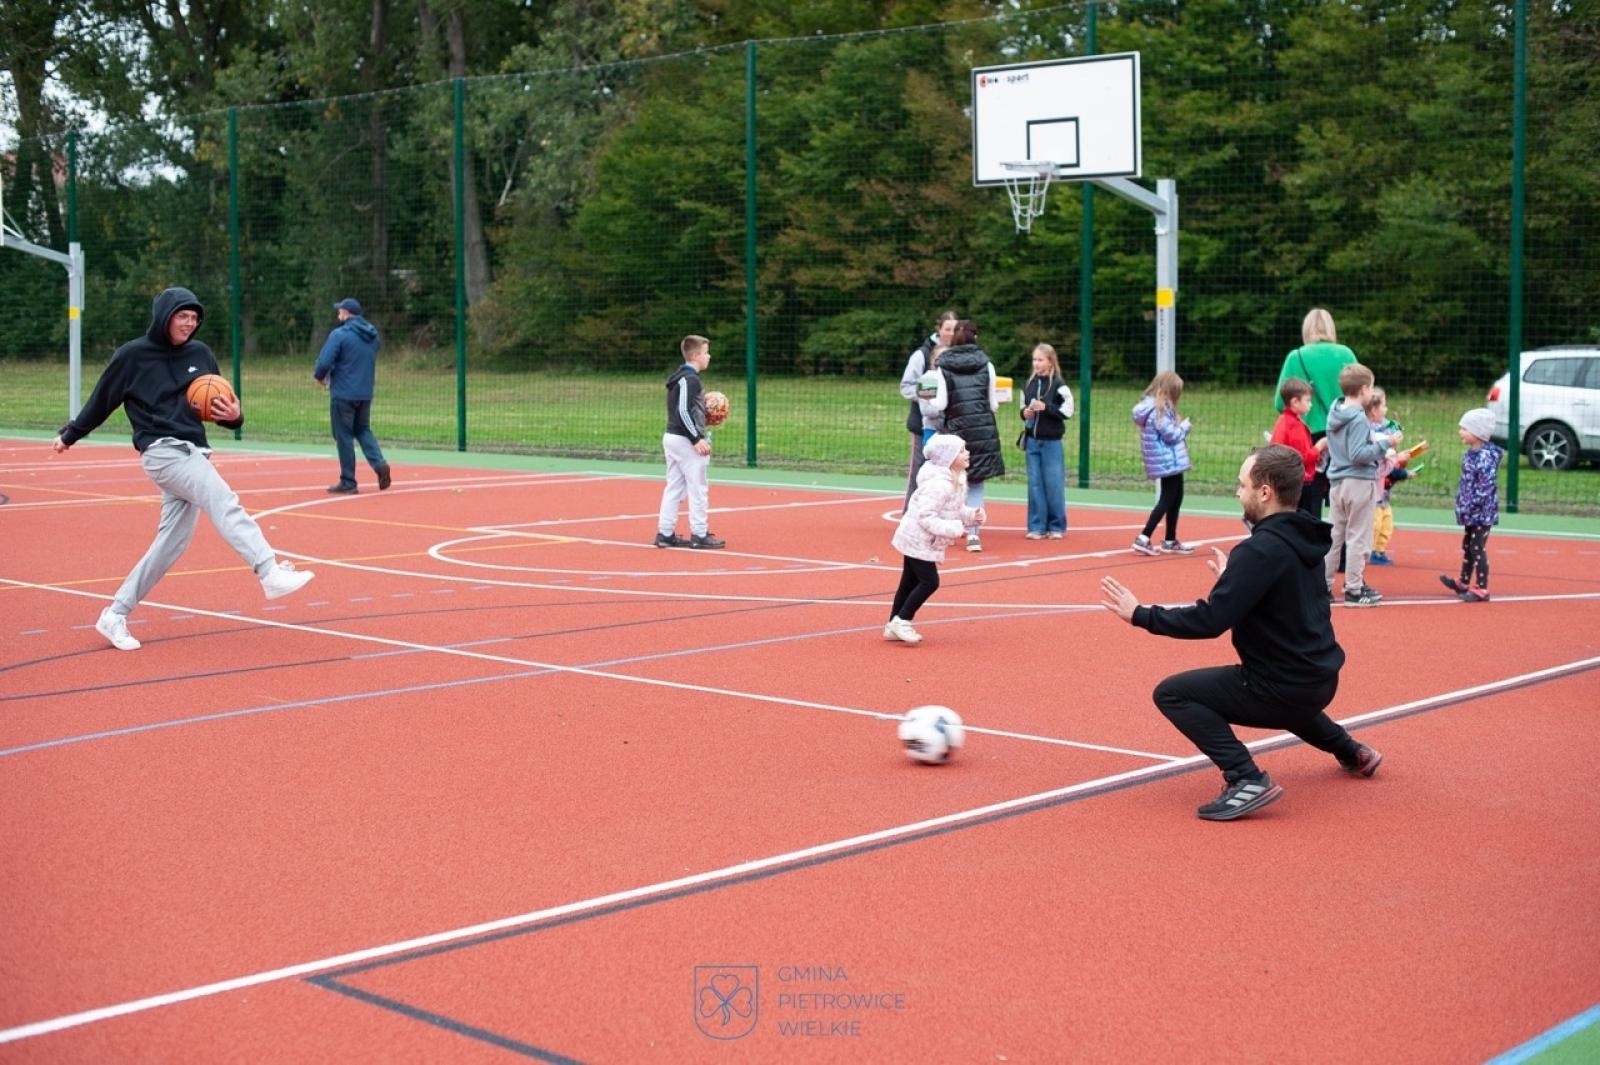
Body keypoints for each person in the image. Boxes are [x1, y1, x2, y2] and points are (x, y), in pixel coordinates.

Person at [1099, 444, 1382, 821]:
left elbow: (1210, 621)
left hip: (1285, 687)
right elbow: (1281, 596)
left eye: (1242, 484)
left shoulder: (1259, 551)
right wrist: (1235, 580)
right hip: (1321, 678)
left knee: (1172, 693)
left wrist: (1140, 614)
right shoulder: (1307, 541)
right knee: (1289, 695)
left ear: (1265, 492)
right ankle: (1352, 751)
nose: (1238, 492)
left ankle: (1245, 776)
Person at [52, 287, 315, 651]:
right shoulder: (132, 356)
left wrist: (236, 417)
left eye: (194, 318)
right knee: (222, 497)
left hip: (194, 451)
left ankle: (115, 614)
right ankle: (268, 569)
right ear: (164, 317)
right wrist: (72, 434)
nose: (189, 323)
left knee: (170, 544)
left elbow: (223, 408)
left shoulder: (200, 353)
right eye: (182, 316)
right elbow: (102, 400)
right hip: (162, 452)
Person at [884, 434, 984, 645]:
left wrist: (969, 515)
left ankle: (894, 622)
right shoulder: (940, 485)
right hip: (918, 539)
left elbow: (951, 509)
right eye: (962, 451)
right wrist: (954, 529)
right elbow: (926, 516)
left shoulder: (955, 478)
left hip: (920, 538)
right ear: (948, 457)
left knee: (909, 581)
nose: (967, 453)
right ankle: (902, 620)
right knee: (930, 582)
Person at [1323, 364, 1398, 606]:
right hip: (1358, 480)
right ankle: (1354, 589)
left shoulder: (1335, 411)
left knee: (1335, 535)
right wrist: (1385, 444)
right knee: (1358, 536)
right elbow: (1358, 453)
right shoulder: (1358, 418)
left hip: (1337, 481)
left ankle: (1323, 585)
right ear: (1364, 389)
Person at [1273, 308, 1357, 516]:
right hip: (1341, 432)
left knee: (1310, 493)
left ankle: (1309, 538)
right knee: (1345, 492)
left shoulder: (1297, 357)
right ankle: (1343, 543)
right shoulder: (1345, 354)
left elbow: (1279, 402)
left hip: (1308, 435)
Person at [936, 319, 1003, 552]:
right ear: (976, 337)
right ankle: (974, 536)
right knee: (975, 485)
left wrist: (928, 399)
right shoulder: (987, 365)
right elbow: (993, 404)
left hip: (956, 431)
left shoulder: (942, 366)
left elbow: (941, 403)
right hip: (982, 430)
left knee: (951, 484)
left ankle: (948, 532)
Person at [312, 297, 391, 494]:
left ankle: (348, 481)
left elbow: (324, 362)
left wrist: (320, 377)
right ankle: (379, 464)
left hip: (344, 392)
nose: (338, 313)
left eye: (340, 310)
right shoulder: (373, 335)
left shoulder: (339, 335)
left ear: (346, 313)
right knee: (363, 429)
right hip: (365, 391)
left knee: (343, 435)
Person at [655, 334, 724, 550]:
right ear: (695, 356)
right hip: (684, 439)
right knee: (698, 487)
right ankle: (700, 534)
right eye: (705, 352)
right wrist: (696, 438)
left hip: (673, 437)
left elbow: (686, 409)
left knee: (674, 486)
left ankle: (665, 533)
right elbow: (683, 410)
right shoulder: (690, 379)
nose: (708, 356)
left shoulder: (680, 377)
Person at [1439, 408, 1504, 602]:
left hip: (1482, 512)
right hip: (1471, 510)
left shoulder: (1485, 458)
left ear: (1478, 433)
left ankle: (1482, 588)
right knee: (1467, 545)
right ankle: (1463, 582)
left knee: (1477, 547)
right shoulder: (1471, 454)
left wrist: (1471, 505)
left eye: (1465, 428)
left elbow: (1485, 487)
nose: (1461, 432)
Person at [898, 311, 959, 511]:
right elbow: (906, 387)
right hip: (924, 423)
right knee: (921, 469)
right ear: (939, 329)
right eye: (947, 328)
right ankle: (910, 512)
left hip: (952, 425)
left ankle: (943, 513)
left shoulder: (960, 354)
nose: (951, 333)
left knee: (950, 473)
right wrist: (929, 397)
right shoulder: (922, 355)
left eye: (954, 329)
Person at [1130, 371, 1194, 556]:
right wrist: (1184, 427)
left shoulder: (1154, 408)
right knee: (1167, 499)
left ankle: (1170, 539)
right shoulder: (1159, 410)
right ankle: (1144, 537)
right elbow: (1172, 435)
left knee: (1176, 497)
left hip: (1169, 460)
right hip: (1168, 461)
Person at [1019, 342, 1072, 539]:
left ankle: (1056, 525)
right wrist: (1025, 413)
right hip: (1033, 440)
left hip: (1052, 441)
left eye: (1040, 360)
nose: (1036, 363)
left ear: (1050, 362)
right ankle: (1036, 526)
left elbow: (1068, 411)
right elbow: (1022, 407)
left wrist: (1047, 407)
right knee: (1034, 483)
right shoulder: (1028, 384)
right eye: (1034, 359)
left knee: (1053, 483)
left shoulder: (1059, 385)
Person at [1364, 387, 1413, 566]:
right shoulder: (1373, 434)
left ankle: (1378, 551)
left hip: (1382, 492)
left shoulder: (1383, 431)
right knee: (1374, 524)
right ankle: (1367, 553)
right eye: (1384, 405)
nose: (1386, 409)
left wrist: (1399, 459)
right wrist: (1396, 458)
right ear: (1374, 410)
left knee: (1386, 523)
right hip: (1371, 492)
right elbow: (1378, 468)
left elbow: (1387, 466)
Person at [1269, 377, 1326, 516]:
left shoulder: (1283, 420)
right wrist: (1320, 446)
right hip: (1300, 483)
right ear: (1295, 401)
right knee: (1305, 522)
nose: (1310, 404)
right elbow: (1303, 457)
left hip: (1285, 481)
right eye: (1307, 400)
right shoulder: (1294, 426)